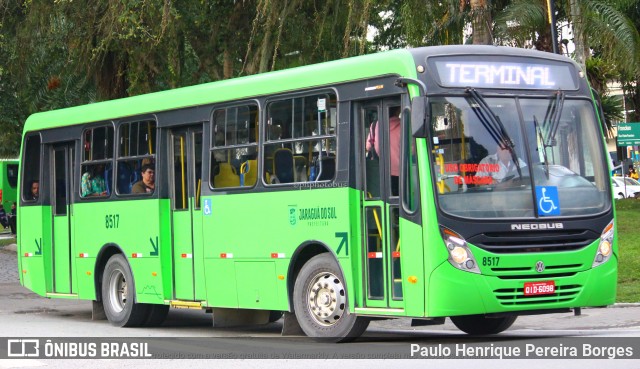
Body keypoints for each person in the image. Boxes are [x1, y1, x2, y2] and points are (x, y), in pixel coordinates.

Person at [366, 106, 401, 195]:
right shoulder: (403, 124)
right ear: (398, 110)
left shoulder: (375, 125)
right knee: (398, 197)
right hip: (399, 170)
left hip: (380, 168)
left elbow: (368, 146)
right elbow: (412, 149)